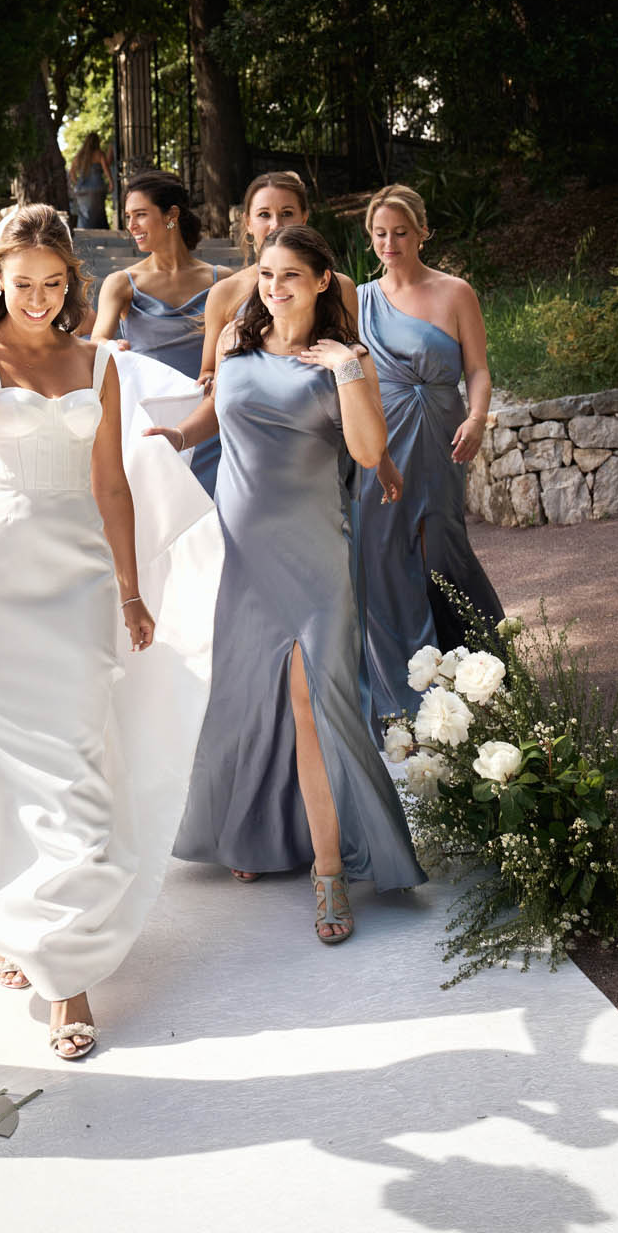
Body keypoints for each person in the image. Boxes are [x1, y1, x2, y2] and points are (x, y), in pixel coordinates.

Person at [0, 203, 206, 1064]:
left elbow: (112, 485)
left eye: (52, 284)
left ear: (70, 285)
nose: (38, 298)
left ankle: (58, 945)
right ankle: (57, 972)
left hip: (78, 578)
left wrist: (129, 590)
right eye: (22, 284)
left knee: (78, 767)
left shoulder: (98, 363)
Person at [150, 226, 424, 940]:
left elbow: (368, 453)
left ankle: (329, 872)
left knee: (313, 704)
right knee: (247, 698)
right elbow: (219, 402)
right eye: (266, 273)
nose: (274, 286)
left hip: (313, 558)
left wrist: (347, 368)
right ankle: (259, 839)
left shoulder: (344, 358)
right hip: (242, 553)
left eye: (290, 276)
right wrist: (177, 436)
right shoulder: (238, 341)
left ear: (323, 280)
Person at [356, 185, 503, 712]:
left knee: (442, 551)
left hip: (441, 434)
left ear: (423, 232)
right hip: (380, 440)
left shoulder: (455, 292)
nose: (389, 243)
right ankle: (404, 689)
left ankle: (482, 675)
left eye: (400, 232)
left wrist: (478, 418)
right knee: (383, 556)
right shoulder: (360, 300)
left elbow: (479, 369)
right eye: (380, 234)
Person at [92, 170, 231, 496]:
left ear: (172, 215)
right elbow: (97, 339)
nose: (132, 225)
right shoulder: (121, 283)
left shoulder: (221, 281)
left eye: (141, 214)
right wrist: (110, 344)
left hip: (210, 419)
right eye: (128, 216)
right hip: (152, 421)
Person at [198, 172, 358, 387]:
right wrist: (208, 381)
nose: (276, 224)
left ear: (304, 218)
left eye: (287, 213)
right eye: (264, 214)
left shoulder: (340, 286)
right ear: (247, 222)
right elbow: (209, 370)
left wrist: (349, 366)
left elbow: (354, 361)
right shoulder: (224, 292)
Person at [68, 131, 113, 228]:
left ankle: (85, 231)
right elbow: (106, 169)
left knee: (84, 214)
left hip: (82, 188)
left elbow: (71, 172)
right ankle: (100, 230)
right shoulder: (99, 154)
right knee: (99, 212)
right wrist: (111, 183)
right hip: (97, 187)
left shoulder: (79, 155)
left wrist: (77, 183)